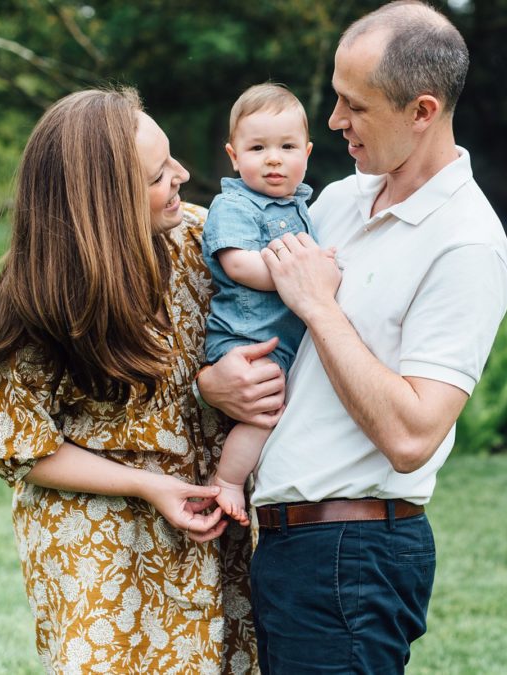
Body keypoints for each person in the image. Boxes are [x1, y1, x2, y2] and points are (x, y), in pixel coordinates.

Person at [244, 2, 507, 672]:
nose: (334, 122)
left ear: (422, 111)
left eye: (354, 106)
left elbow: (411, 435)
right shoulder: (338, 198)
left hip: (352, 558)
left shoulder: (467, 243)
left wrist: (320, 307)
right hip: (287, 547)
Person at [0, 87, 278, 674]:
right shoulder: (37, 295)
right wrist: (146, 486)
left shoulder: (202, 242)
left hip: (215, 519)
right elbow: (16, 446)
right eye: (160, 173)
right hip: (100, 538)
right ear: (106, 202)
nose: (184, 175)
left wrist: (214, 385)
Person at [201, 83, 328, 525]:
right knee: (264, 416)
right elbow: (238, 265)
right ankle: (229, 481)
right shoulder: (233, 204)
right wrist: (302, 274)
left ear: (307, 153)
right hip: (245, 341)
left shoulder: (303, 206)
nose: (274, 158)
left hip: (279, 343)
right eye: (258, 148)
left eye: (287, 146)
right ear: (234, 156)